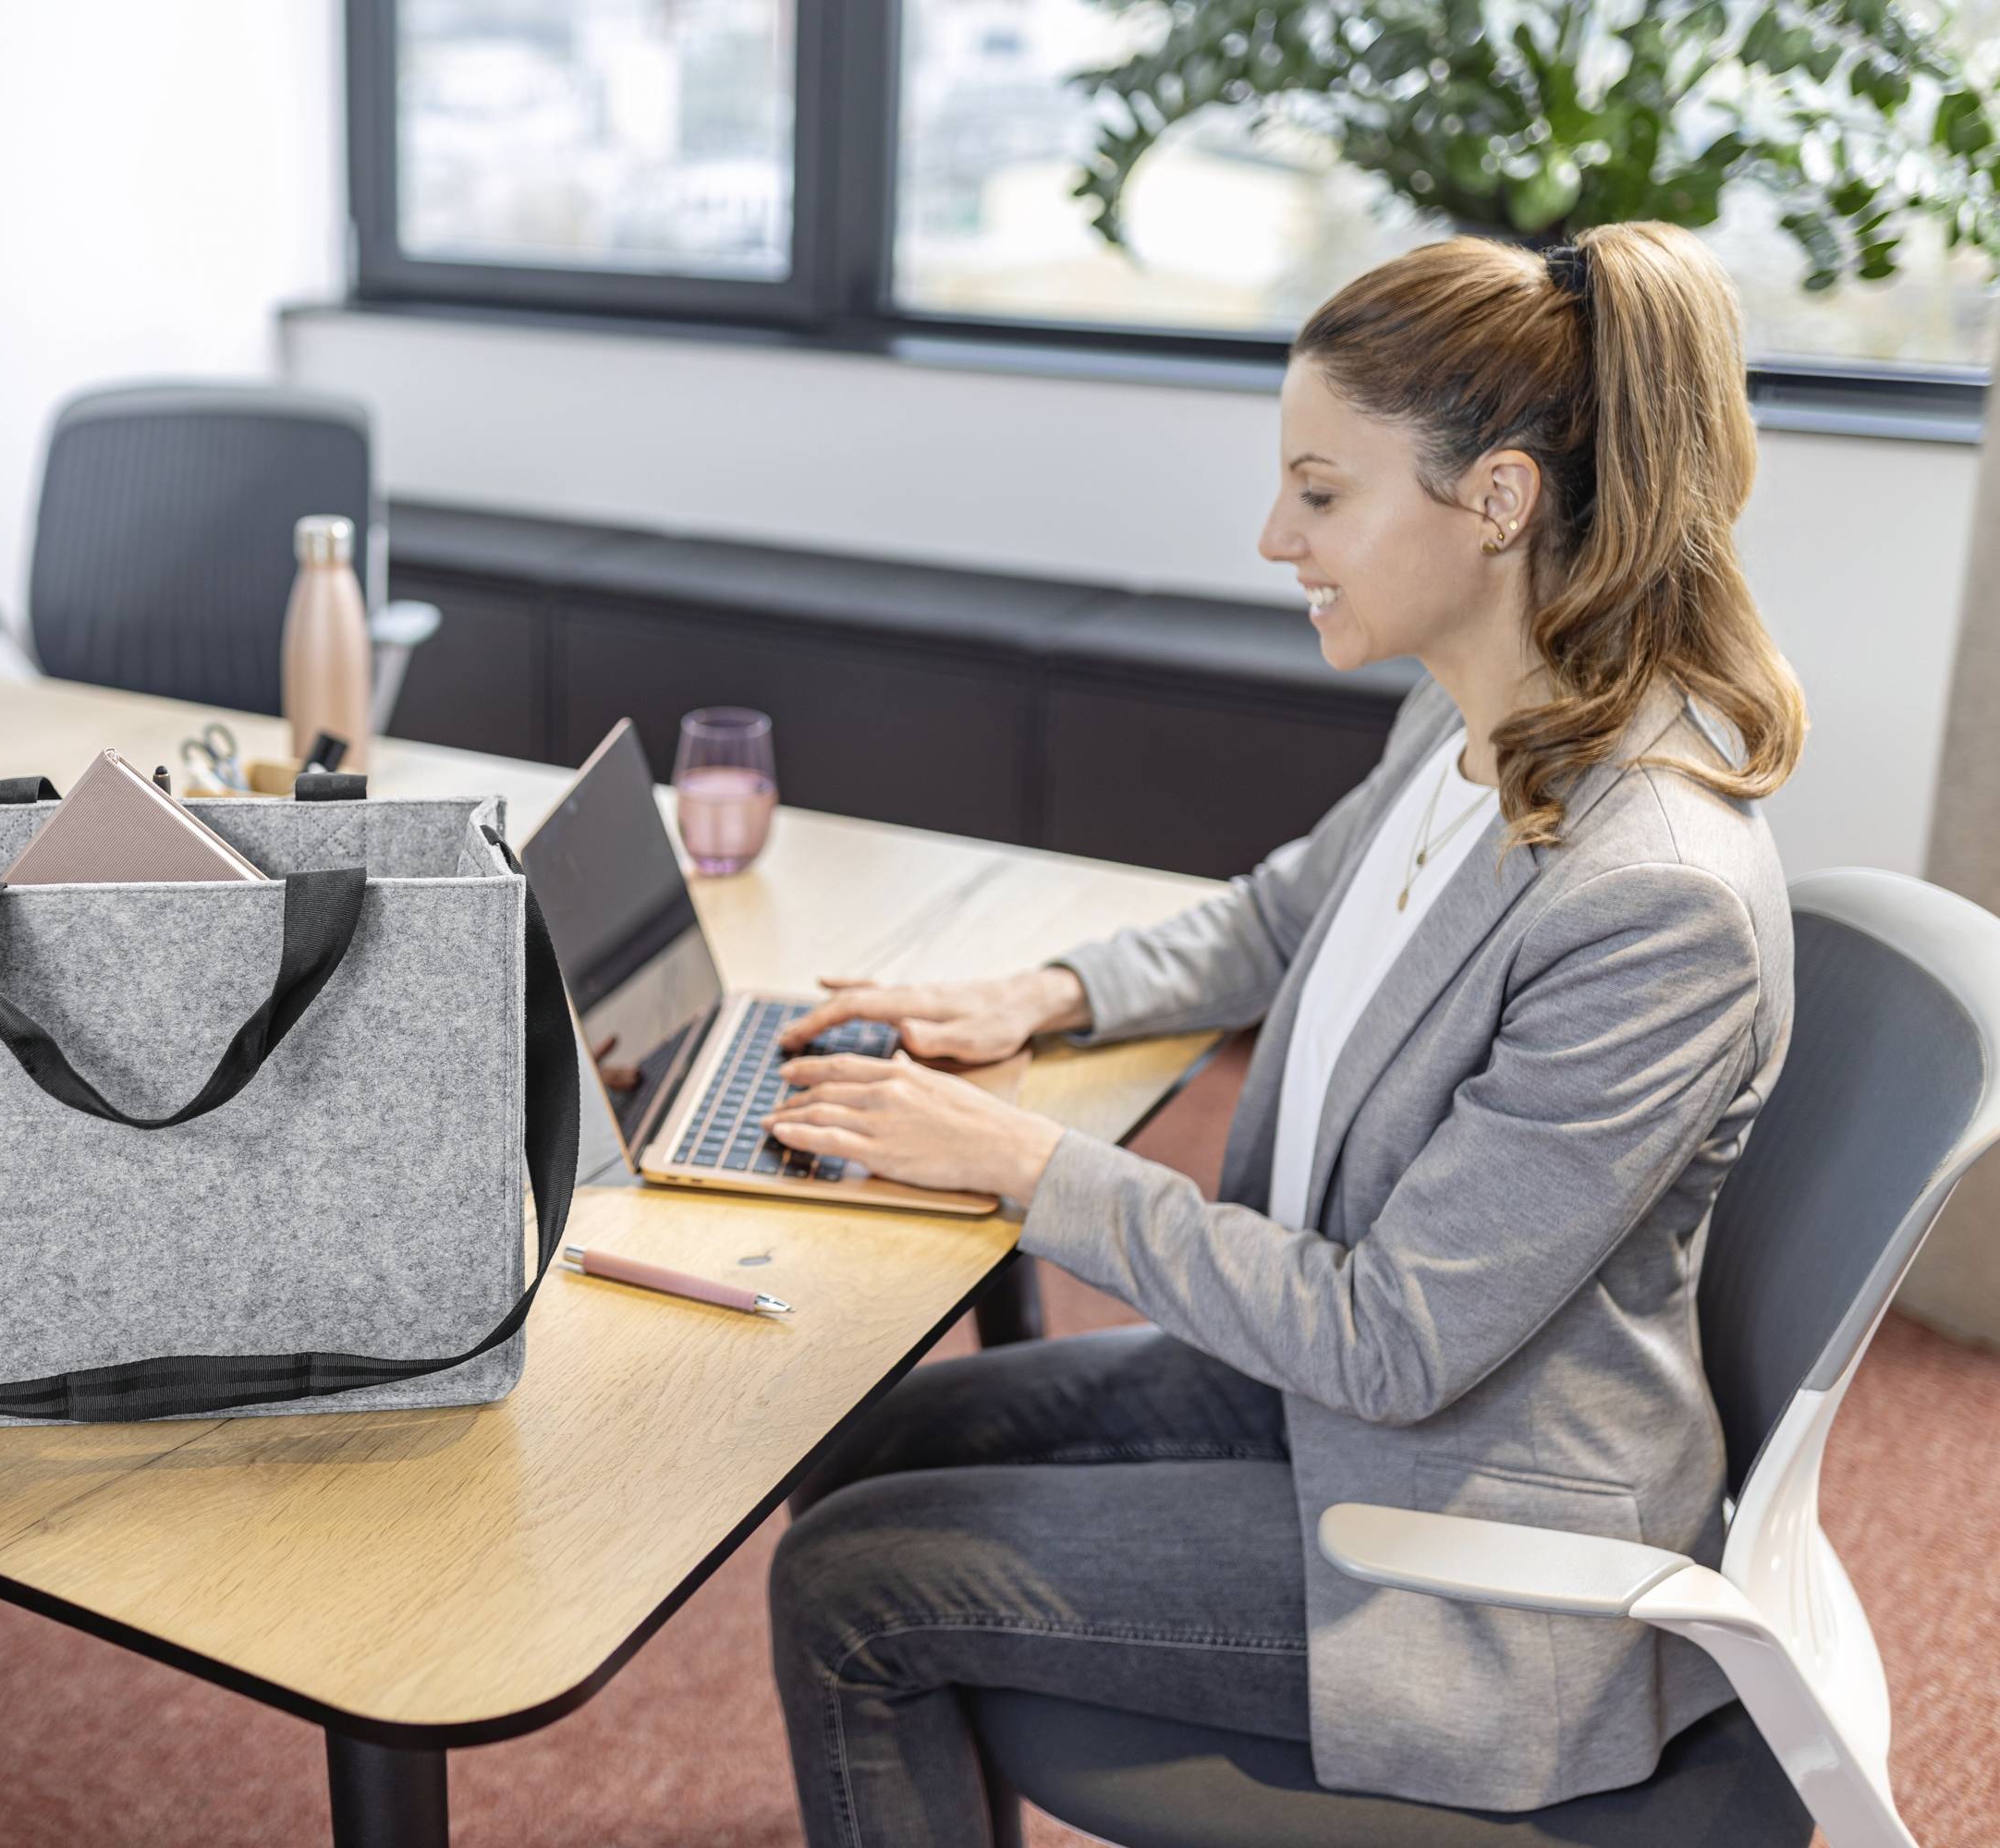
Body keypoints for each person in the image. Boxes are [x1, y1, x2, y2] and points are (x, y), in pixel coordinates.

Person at [759, 221, 1808, 1840]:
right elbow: (1279, 916)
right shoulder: (1473, 709)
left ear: (1499, 501)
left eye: (1321, 494)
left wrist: (1026, 1165)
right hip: (1334, 1406)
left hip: (1469, 1536)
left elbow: (1391, 1339)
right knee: (877, 1446)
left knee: (852, 1583)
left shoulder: (1651, 901)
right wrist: (1040, 996)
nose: (1275, 537)